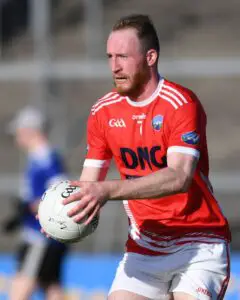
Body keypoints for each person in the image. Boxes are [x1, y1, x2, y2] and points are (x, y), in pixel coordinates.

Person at [55, 14, 230, 299]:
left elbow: (179, 176)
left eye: (123, 56)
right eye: (110, 56)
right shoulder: (103, 111)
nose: (114, 66)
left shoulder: (181, 104)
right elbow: (89, 185)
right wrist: (63, 216)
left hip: (199, 243)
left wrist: (107, 190)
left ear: (150, 57)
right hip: (145, 246)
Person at [6, 106, 68, 300]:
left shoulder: (45, 158)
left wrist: (28, 208)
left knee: (20, 288)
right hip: (46, 237)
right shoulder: (38, 158)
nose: (17, 136)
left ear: (30, 131)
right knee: (51, 286)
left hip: (40, 238)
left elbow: (60, 197)